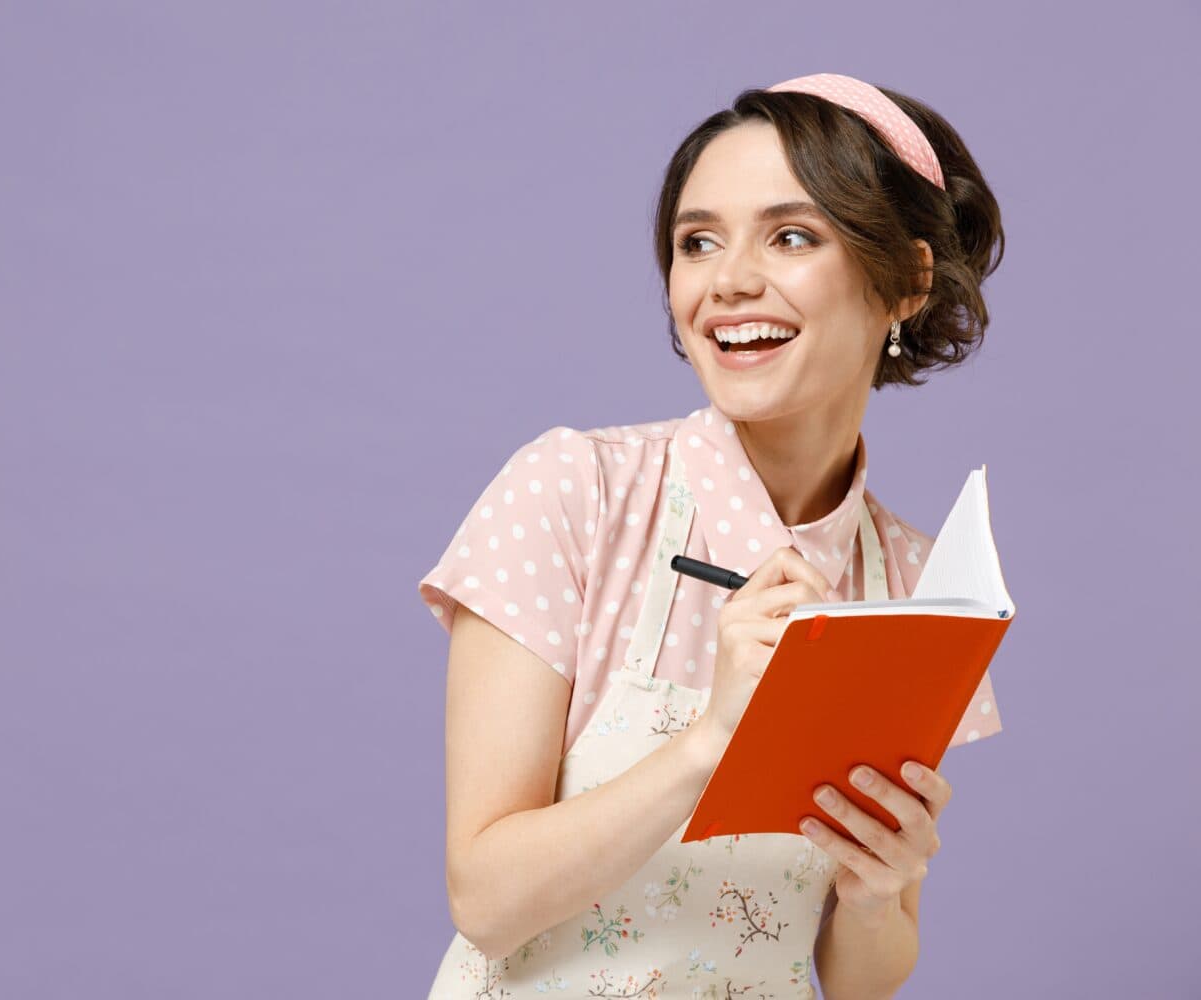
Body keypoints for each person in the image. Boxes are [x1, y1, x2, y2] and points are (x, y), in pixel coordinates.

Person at [415, 73, 1007, 999]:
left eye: (792, 236)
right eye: (698, 242)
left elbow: (859, 980)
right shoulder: (574, 493)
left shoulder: (912, 579)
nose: (728, 281)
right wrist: (714, 740)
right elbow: (484, 898)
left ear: (907, 283)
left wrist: (876, 895)